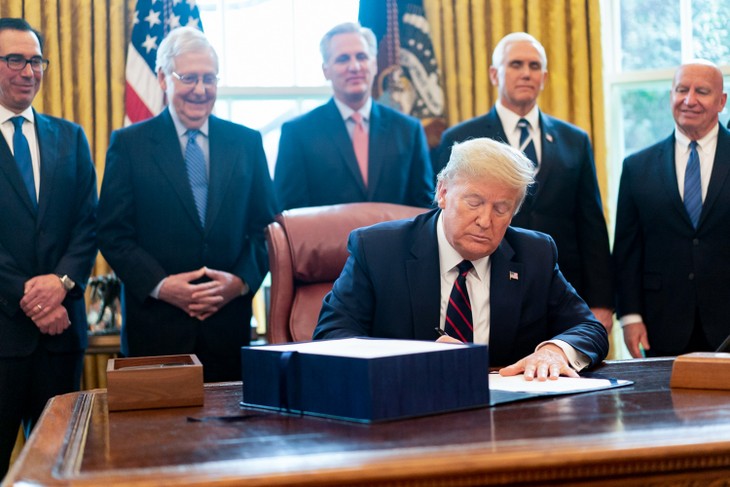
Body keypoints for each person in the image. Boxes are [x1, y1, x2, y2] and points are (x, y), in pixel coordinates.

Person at [313, 137, 609, 380]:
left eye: (501, 209)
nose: (485, 220)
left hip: (506, 416)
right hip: (402, 407)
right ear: (443, 192)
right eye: (474, 202)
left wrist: (554, 351)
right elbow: (331, 336)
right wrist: (413, 357)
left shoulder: (534, 254)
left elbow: (589, 328)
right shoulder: (378, 250)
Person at [98, 27, 277, 382]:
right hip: (156, 332)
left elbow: (268, 229)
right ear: (163, 78)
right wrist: (162, 286)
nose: (200, 89)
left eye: (209, 78)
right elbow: (112, 233)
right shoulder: (129, 145)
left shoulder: (246, 142)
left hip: (228, 332)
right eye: (189, 78)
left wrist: (240, 282)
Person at [434, 32, 614, 331]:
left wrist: (602, 301)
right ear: (495, 74)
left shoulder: (574, 140)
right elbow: (442, 213)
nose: (526, 73)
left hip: (563, 287)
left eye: (534, 66)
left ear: (544, 77)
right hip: (487, 283)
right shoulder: (461, 138)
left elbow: (591, 224)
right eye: (516, 64)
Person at [0, 18, 97, 477]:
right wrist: (30, 296)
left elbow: (88, 224)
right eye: (15, 59)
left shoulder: (70, 137)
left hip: (61, 339)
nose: (28, 71)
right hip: (3, 333)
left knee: (61, 470)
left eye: (36, 60)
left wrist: (60, 284)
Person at [614, 60, 730, 358]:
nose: (689, 100)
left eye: (702, 91)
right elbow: (627, 250)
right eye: (681, 90)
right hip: (662, 324)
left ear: (721, 101)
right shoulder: (637, 167)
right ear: (671, 96)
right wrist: (630, 316)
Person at [274, 22, 434, 210]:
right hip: (328, 231)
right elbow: (290, 214)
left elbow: (424, 208)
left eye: (361, 57)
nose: (355, 66)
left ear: (374, 64)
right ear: (326, 71)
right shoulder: (297, 133)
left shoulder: (408, 130)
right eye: (343, 59)